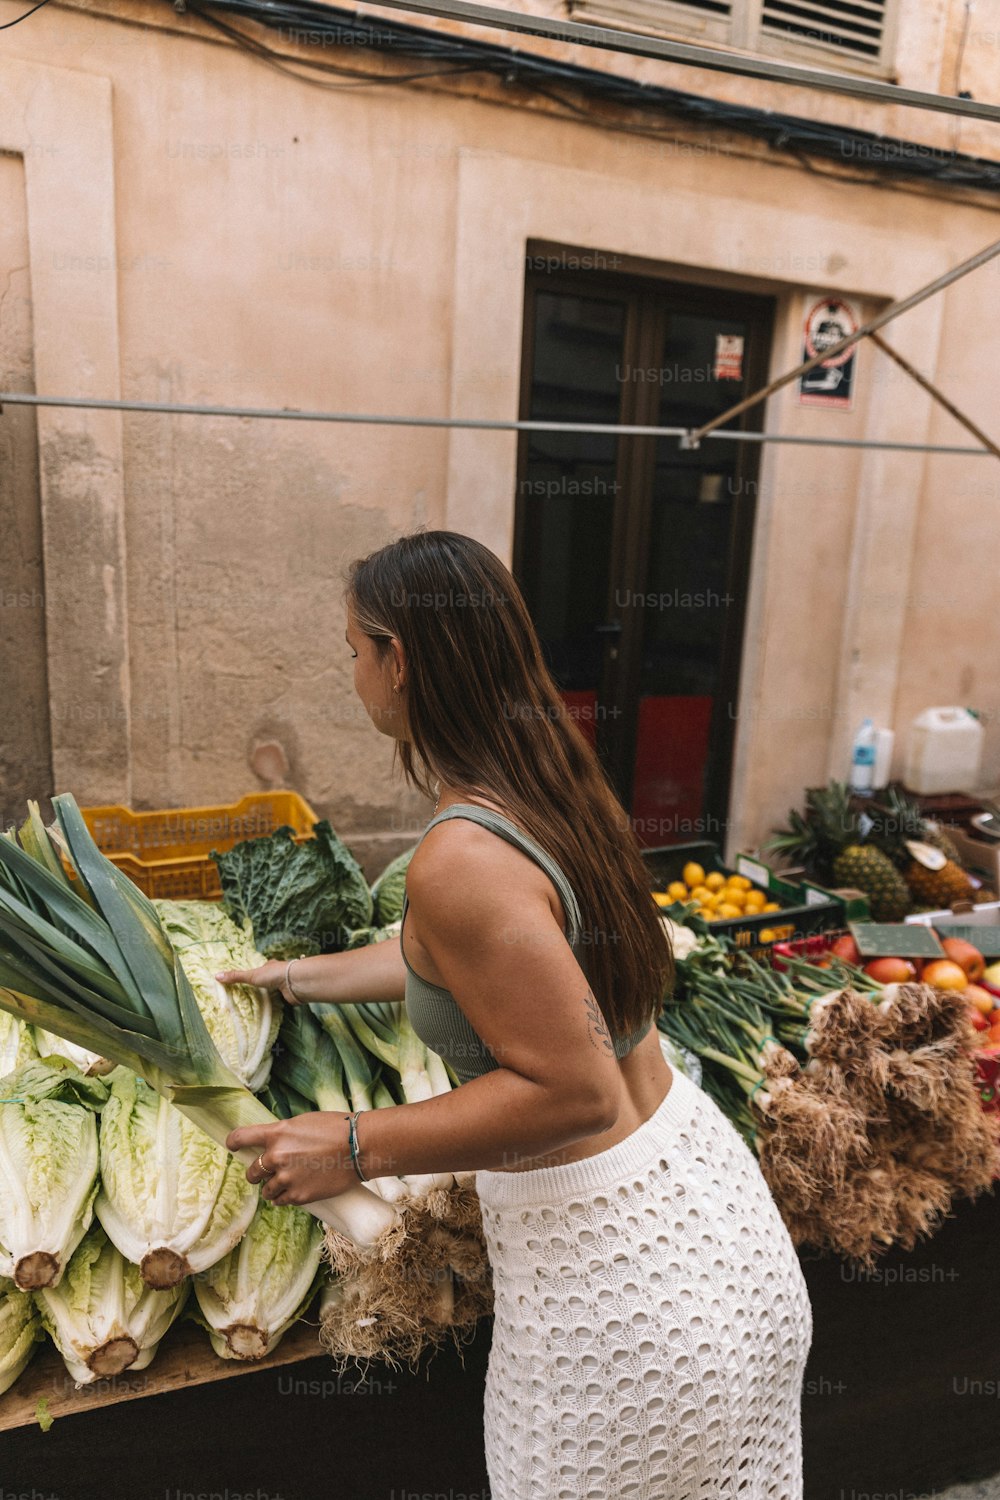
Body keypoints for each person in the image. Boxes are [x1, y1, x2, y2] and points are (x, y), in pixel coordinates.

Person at [220, 528, 814, 1499]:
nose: (350, 672)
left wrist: (357, 1144)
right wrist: (289, 977)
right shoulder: (551, 791)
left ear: (400, 660)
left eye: (353, 650)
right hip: (714, 1228)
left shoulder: (460, 855)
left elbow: (571, 1091)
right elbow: (463, 960)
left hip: (621, 1293)